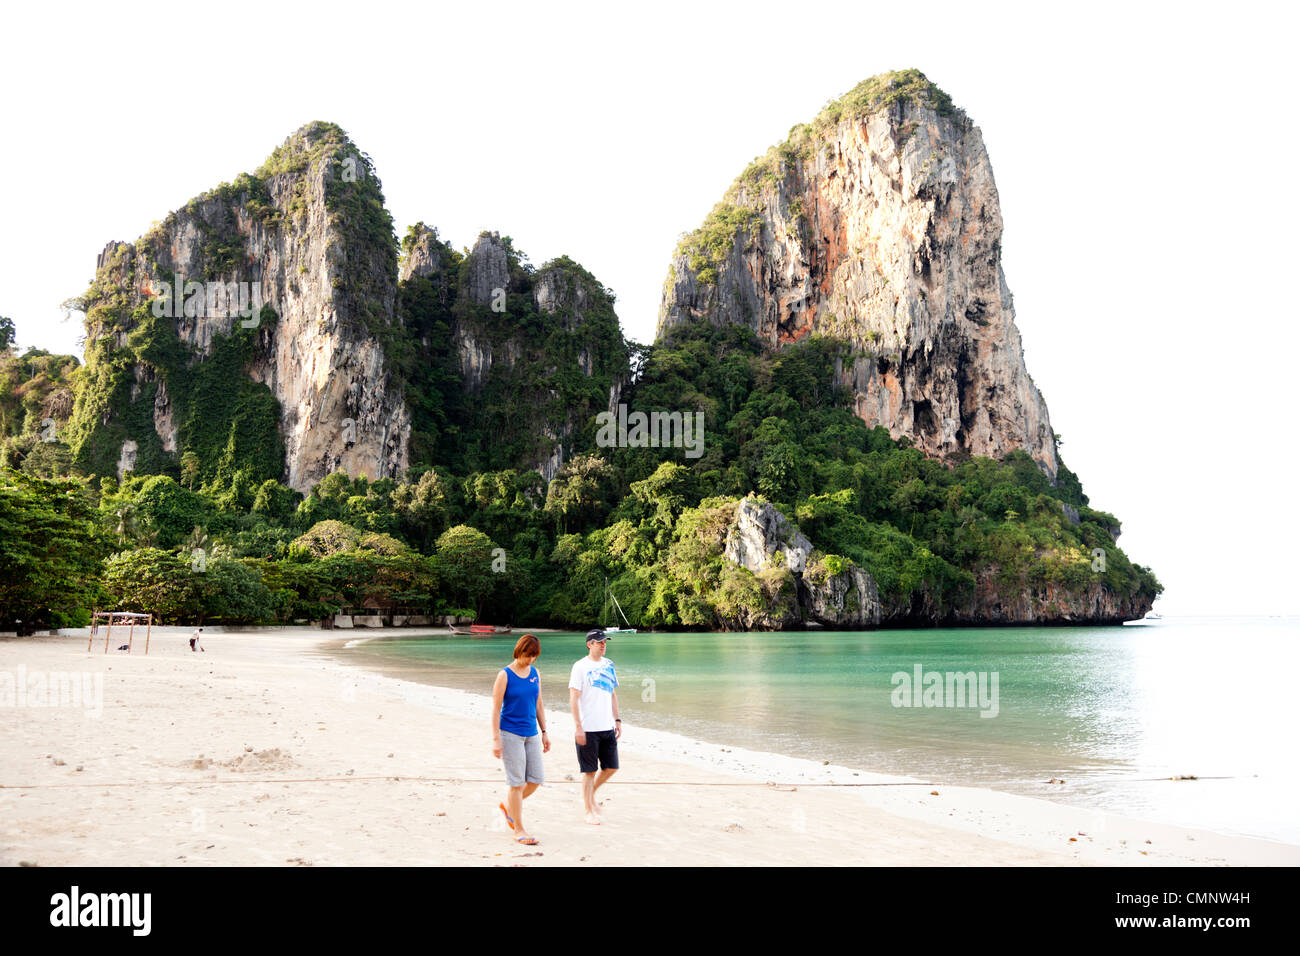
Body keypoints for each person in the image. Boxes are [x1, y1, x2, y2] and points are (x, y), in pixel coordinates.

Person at [491, 633, 549, 845]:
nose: (531, 660)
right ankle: (519, 829)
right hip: (510, 734)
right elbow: (496, 709)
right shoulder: (505, 675)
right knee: (516, 784)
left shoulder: (535, 673)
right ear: (519, 651)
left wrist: (544, 732)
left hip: (531, 733)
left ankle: (508, 807)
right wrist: (496, 739)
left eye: (535, 656)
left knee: (535, 780)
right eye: (528, 655)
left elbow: (539, 703)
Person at [569, 628, 621, 825]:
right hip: (587, 728)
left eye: (604, 642)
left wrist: (617, 720)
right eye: (599, 642)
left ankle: (590, 794)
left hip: (607, 726)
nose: (603, 644)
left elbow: (612, 694)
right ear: (589, 644)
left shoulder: (609, 665)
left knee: (611, 767)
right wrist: (578, 727)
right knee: (589, 771)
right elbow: (573, 699)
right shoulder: (580, 667)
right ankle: (588, 810)